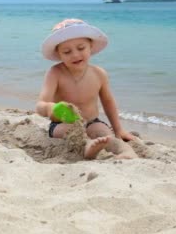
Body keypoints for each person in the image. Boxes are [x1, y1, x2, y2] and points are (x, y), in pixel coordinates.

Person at [35, 18, 138, 159]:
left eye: (81, 48)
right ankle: (88, 148)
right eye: (67, 51)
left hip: (92, 121)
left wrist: (119, 129)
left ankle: (125, 151)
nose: (75, 55)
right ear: (59, 54)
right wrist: (50, 108)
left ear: (91, 46)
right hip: (63, 123)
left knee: (105, 133)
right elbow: (40, 105)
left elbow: (108, 102)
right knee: (68, 131)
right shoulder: (55, 73)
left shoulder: (99, 73)